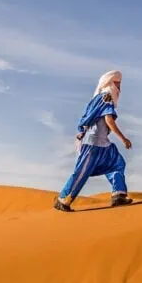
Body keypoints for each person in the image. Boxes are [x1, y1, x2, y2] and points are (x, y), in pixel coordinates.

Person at [54, 70, 133, 212]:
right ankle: (63, 199)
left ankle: (119, 195)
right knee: (81, 172)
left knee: (117, 163)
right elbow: (108, 120)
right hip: (93, 144)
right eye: (117, 83)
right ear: (110, 83)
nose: (119, 88)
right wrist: (123, 138)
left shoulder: (98, 99)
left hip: (103, 144)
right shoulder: (106, 97)